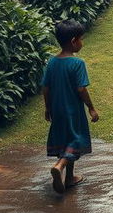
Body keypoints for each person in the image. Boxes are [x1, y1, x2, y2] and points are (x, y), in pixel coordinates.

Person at [42, 19, 99, 195]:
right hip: (73, 111)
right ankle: (59, 167)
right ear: (74, 41)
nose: (82, 42)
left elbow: (46, 88)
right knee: (75, 140)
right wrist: (91, 107)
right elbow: (81, 89)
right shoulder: (77, 63)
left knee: (65, 141)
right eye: (81, 39)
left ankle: (69, 177)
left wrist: (48, 108)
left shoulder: (52, 62)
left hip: (57, 110)